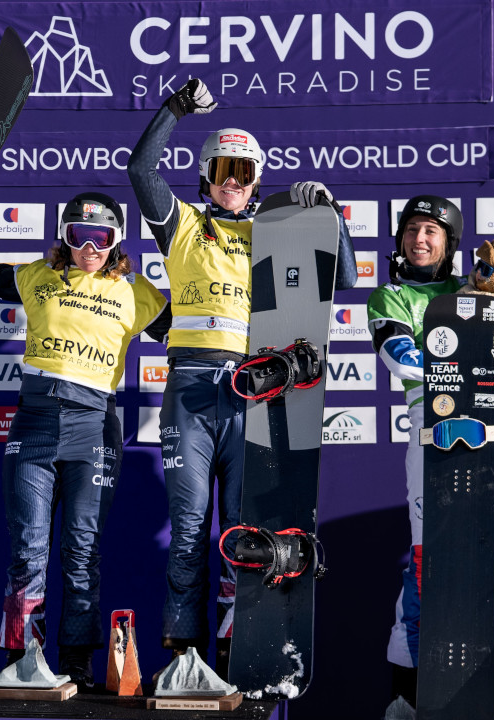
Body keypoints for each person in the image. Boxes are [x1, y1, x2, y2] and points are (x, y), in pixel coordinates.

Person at [126, 78, 357, 674]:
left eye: (245, 171)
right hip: (192, 392)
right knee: (187, 527)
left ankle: (235, 648)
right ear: (206, 176)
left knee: (243, 530)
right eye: (225, 168)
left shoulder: (272, 235)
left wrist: (330, 217)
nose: (234, 181)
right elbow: (141, 170)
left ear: (257, 180)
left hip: (254, 396)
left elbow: (348, 281)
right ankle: (183, 651)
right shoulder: (181, 226)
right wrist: (175, 107)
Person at [0, 191, 167, 690]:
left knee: (83, 550)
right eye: (78, 235)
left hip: (95, 424)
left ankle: (77, 664)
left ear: (116, 241)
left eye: (101, 238)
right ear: (65, 236)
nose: (89, 247)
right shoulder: (40, 277)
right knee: (29, 549)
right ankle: (23, 659)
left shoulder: (137, 292)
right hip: (36, 420)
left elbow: (191, 331)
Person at [367, 197, 494, 718]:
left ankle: (460, 692)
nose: (420, 239)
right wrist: (471, 355)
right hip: (434, 430)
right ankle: (408, 693)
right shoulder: (391, 295)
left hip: (492, 429)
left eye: (432, 231)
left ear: (450, 243)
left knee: (473, 558)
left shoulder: (476, 289)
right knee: (430, 560)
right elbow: (402, 361)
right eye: (412, 230)